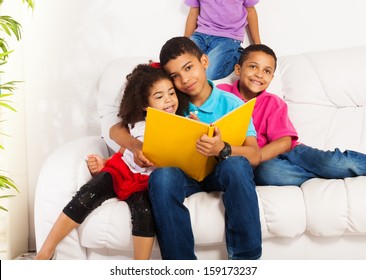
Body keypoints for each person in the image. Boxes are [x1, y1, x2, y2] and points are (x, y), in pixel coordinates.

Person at [110, 36, 262, 260]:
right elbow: (116, 129)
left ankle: (246, 261)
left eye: (189, 68)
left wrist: (222, 148)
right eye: (175, 76)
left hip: (219, 174)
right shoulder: (169, 101)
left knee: (237, 165)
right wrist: (136, 146)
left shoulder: (231, 103)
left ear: (204, 61)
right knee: (161, 177)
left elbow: (255, 155)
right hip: (184, 176)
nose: (185, 79)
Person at [34, 62, 189, 260]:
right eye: (159, 97)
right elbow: (122, 145)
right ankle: (45, 252)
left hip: (145, 183)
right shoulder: (136, 123)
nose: (168, 101)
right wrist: (106, 162)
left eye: (171, 93)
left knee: (144, 214)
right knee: (87, 194)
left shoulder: (180, 124)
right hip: (121, 169)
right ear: (144, 104)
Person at [217, 44, 366, 186]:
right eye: (253, 66)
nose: (259, 74)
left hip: (289, 152)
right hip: (261, 165)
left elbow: (285, 142)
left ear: (271, 78)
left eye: (267, 71)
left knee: (335, 164)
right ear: (238, 69)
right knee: (269, 173)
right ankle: (318, 176)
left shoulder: (273, 102)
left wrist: (257, 156)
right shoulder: (221, 94)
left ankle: (329, 170)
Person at [184, 0, 261, 80]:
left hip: (228, 36)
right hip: (201, 33)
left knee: (208, 74)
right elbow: (193, 10)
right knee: (184, 62)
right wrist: (184, 42)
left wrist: (257, 45)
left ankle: (238, 55)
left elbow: (250, 10)